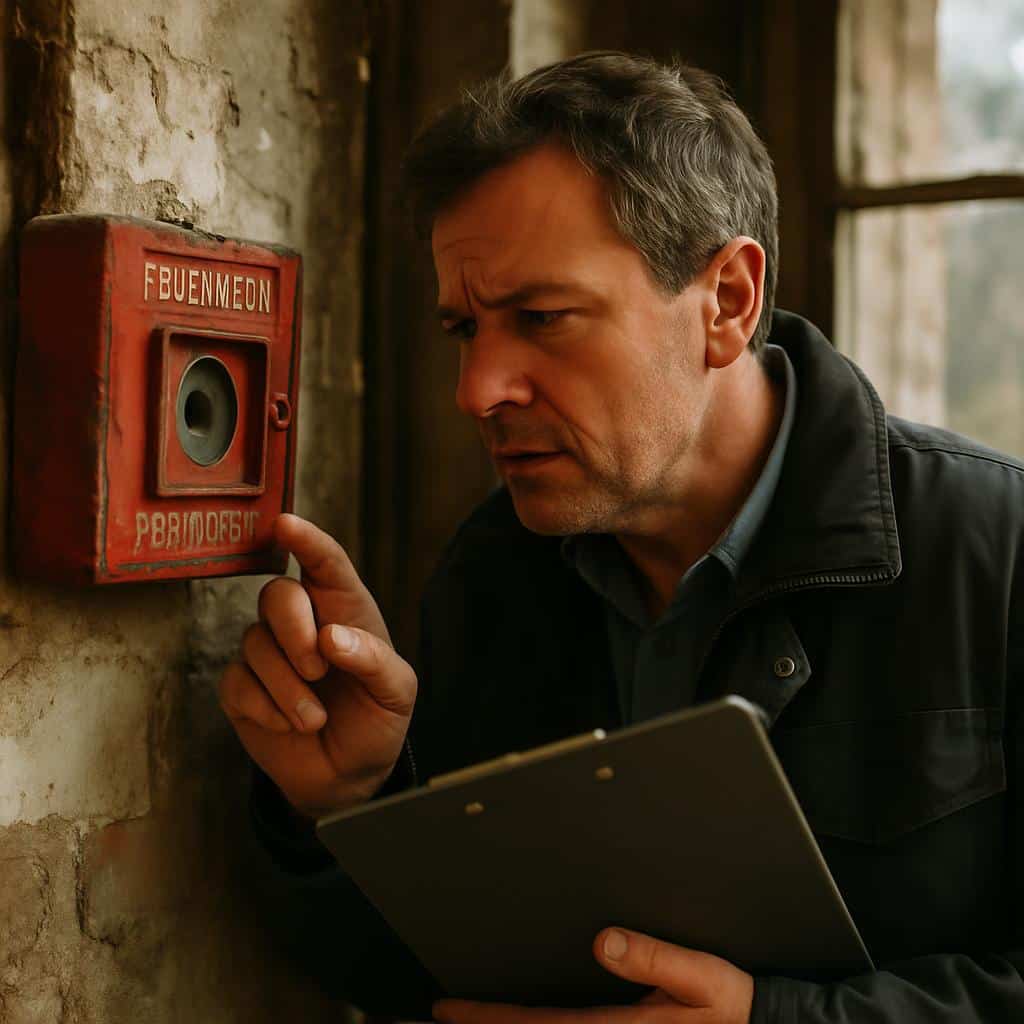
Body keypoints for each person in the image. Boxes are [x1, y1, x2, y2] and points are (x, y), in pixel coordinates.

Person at [218, 52, 1023, 1023]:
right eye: (464, 329)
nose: (476, 390)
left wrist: (781, 1021)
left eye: (543, 317)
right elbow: (423, 976)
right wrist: (351, 800)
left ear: (727, 301)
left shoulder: (997, 549)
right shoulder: (490, 576)